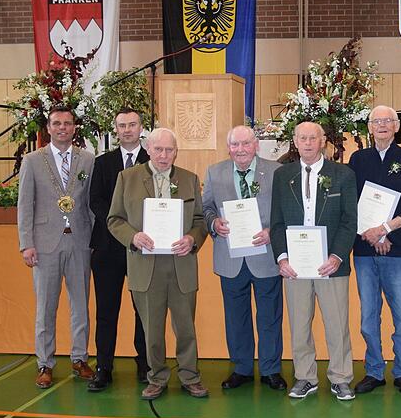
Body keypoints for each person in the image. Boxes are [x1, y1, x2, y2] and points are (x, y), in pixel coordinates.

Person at [107, 127, 208, 400]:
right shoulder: (127, 178)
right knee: (151, 329)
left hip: (181, 265)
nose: (164, 156)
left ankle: (190, 376)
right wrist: (134, 236)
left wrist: (192, 238)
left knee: (186, 326)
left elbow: (200, 221)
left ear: (176, 151)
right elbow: (114, 219)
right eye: (159, 149)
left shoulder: (189, 179)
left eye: (170, 150)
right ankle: (156, 376)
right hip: (145, 266)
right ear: (148, 149)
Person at [270, 121, 357, 401]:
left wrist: (337, 255)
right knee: (299, 325)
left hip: (331, 264)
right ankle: (305, 377)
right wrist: (282, 258)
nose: (307, 143)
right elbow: (277, 222)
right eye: (302, 138)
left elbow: (349, 221)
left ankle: (341, 377)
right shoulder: (283, 176)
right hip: (296, 265)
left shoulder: (343, 175)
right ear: (295, 142)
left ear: (323, 142)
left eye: (313, 138)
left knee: (337, 324)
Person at [202, 125, 286, 392]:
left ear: (256, 145)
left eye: (245, 144)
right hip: (231, 257)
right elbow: (205, 208)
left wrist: (272, 231)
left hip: (266, 256)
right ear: (229, 148)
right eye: (235, 145)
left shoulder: (276, 171)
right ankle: (242, 368)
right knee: (236, 317)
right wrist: (214, 224)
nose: (240, 150)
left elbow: (285, 209)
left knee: (269, 316)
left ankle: (271, 369)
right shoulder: (215, 173)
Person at [17, 105, 96, 389]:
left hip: (80, 242)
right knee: (45, 307)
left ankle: (79, 358)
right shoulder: (32, 160)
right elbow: (25, 204)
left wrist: (95, 239)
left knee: (80, 306)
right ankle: (44, 363)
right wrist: (26, 244)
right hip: (45, 244)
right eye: (57, 123)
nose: (62, 127)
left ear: (75, 128)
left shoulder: (88, 160)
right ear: (48, 128)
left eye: (67, 123)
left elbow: (92, 202)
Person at [348, 105, 401, 396]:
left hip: (398, 250)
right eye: (376, 121)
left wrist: (385, 229)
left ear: (396, 127)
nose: (381, 125)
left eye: (387, 121)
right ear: (369, 127)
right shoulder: (358, 159)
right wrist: (372, 235)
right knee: (369, 316)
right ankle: (374, 370)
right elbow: (350, 203)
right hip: (365, 251)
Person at [87, 107, 149, 391]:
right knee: (106, 311)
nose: (127, 130)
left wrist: (137, 232)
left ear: (141, 128)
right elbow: (95, 201)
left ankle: (145, 364)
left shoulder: (154, 159)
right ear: (116, 129)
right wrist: (120, 227)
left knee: (144, 310)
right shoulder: (103, 163)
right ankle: (104, 367)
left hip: (143, 248)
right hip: (107, 249)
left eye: (132, 124)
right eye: (122, 125)